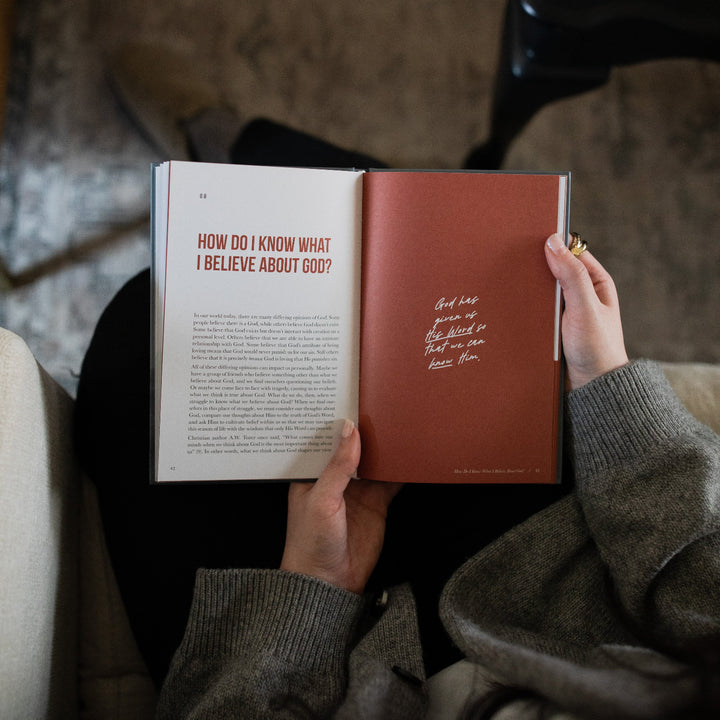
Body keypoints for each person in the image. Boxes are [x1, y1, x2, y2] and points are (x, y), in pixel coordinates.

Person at [147, 232, 720, 718]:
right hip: (562, 555)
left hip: (352, 668)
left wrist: (311, 584)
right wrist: (606, 379)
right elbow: (702, 575)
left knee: (149, 323)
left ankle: (254, 144)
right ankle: (267, 150)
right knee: (412, 246)